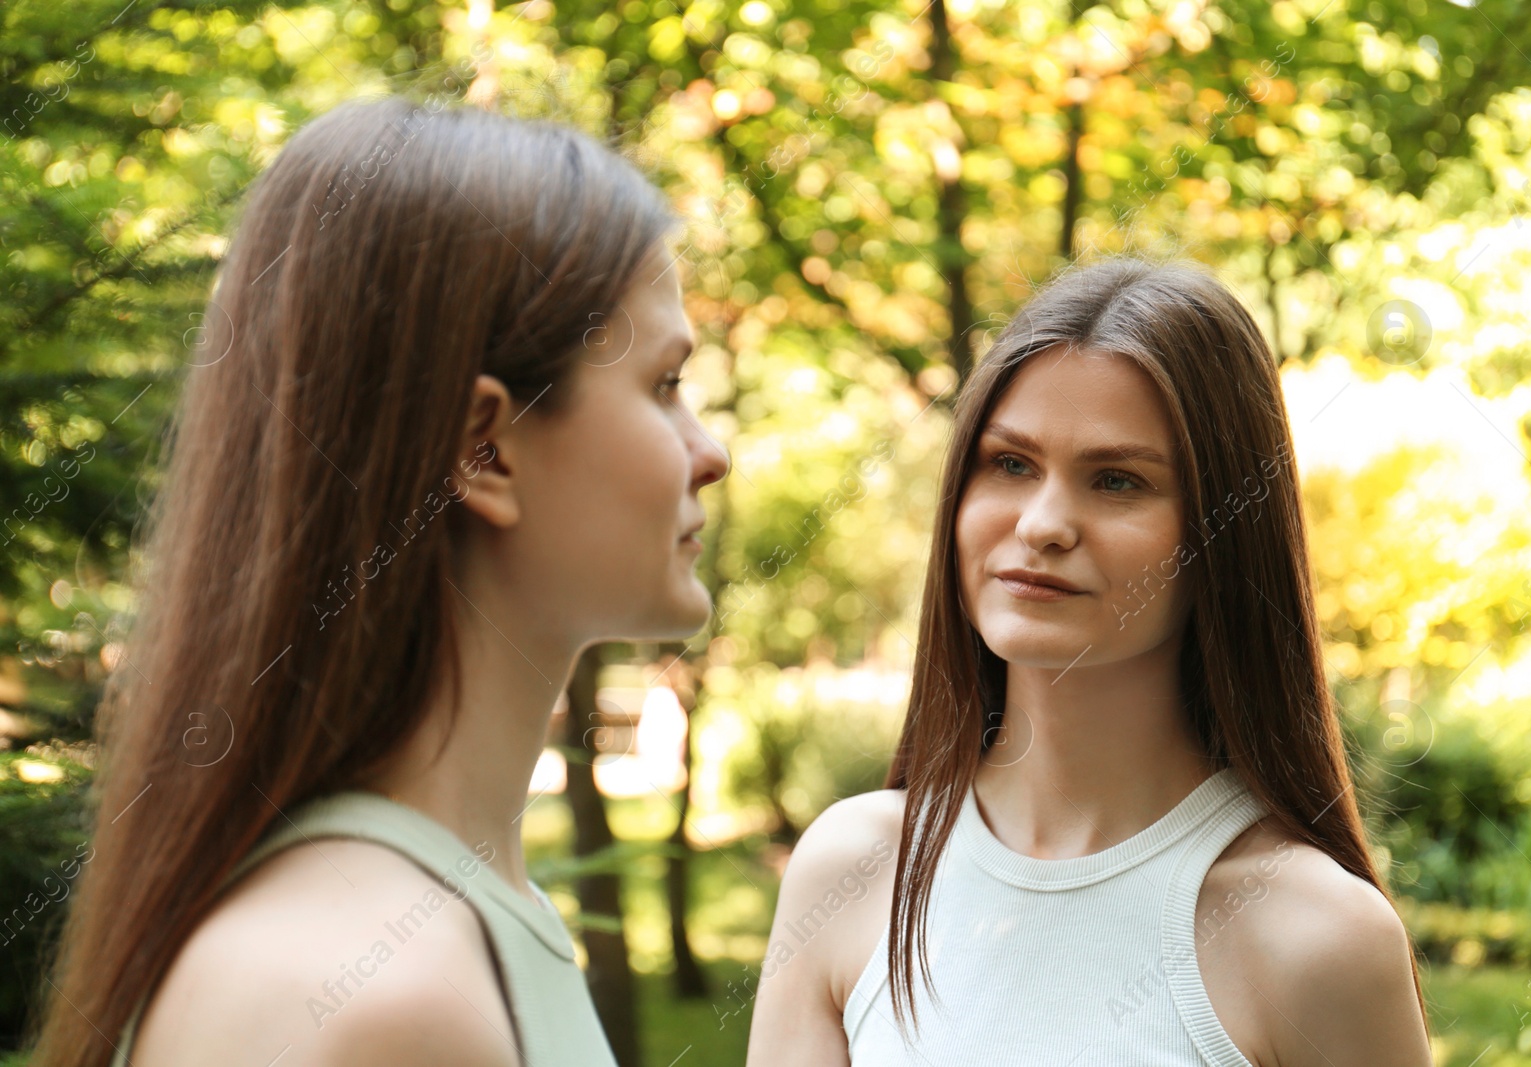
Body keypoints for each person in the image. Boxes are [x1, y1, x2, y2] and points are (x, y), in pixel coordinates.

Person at [31, 96, 728, 1067]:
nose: (710, 451)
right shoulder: (385, 994)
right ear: (484, 451)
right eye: (664, 384)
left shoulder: (436, 923)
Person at [746, 258, 1433, 1066]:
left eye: (1116, 480)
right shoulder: (853, 870)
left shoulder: (1317, 936)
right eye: (1010, 463)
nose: (1042, 524)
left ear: (1224, 536)